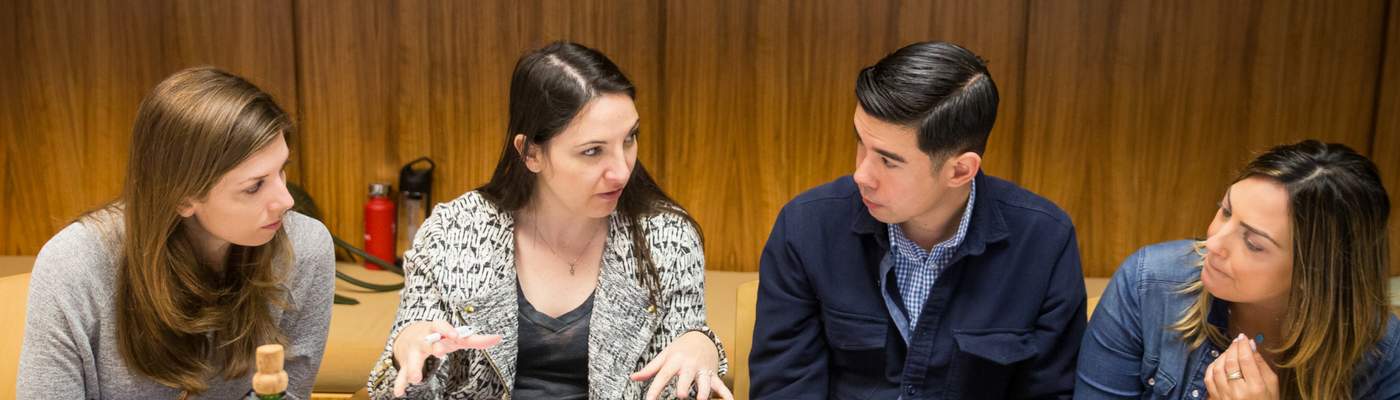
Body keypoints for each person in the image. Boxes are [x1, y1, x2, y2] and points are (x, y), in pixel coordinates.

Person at [366, 41, 732, 400]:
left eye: (630, 138)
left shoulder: (667, 239)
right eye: (592, 151)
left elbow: (679, 380)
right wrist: (409, 351)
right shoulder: (454, 232)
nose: (621, 171)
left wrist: (702, 346)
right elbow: (403, 387)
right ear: (530, 153)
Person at [748, 41, 1087, 399]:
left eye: (888, 160)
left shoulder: (1044, 242)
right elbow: (784, 389)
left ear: (959, 170)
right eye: (860, 142)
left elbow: (1051, 393)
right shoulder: (806, 228)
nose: (861, 174)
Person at [17, 67, 335, 399]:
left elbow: (287, 392)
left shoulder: (304, 248)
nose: (285, 201)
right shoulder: (73, 264)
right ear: (182, 197)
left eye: (281, 171)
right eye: (254, 186)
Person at [1076, 140, 1400, 399]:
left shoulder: (1382, 351)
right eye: (1226, 211)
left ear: (1315, 275)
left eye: (1253, 243)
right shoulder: (1149, 283)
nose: (1213, 244)